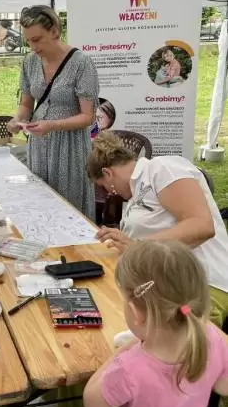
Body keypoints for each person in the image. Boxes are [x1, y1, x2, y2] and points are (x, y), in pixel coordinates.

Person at [86, 131, 228, 328]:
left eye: (105, 187)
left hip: (201, 286)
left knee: (168, 338)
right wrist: (123, 241)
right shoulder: (135, 194)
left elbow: (202, 225)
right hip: (169, 286)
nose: (110, 193)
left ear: (108, 173)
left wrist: (139, 246)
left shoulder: (162, 169)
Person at [83, 241, 228, 407]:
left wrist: (122, 351)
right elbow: (223, 387)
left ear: (135, 312)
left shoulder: (129, 368)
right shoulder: (211, 338)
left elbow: (93, 405)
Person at [7, 5, 99, 219]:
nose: (33, 47)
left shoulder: (81, 63)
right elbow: (27, 104)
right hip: (39, 145)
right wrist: (17, 119)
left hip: (70, 148)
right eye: (28, 41)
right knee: (39, 203)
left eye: (37, 39)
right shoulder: (30, 62)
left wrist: (52, 125)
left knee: (70, 207)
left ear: (54, 31)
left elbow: (88, 117)